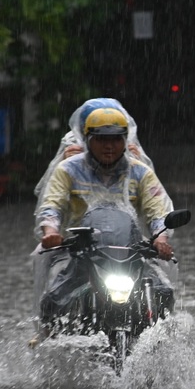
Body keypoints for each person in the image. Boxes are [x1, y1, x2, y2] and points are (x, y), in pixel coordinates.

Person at [30, 102, 176, 345]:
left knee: (164, 291)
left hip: (129, 249)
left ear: (125, 140)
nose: (109, 146)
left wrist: (160, 238)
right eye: (101, 139)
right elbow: (52, 205)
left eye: (116, 139)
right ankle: (44, 331)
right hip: (79, 250)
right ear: (88, 140)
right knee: (50, 291)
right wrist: (51, 232)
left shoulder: (140, 172)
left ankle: (163, 337)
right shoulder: (68, 169)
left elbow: (157, 210)